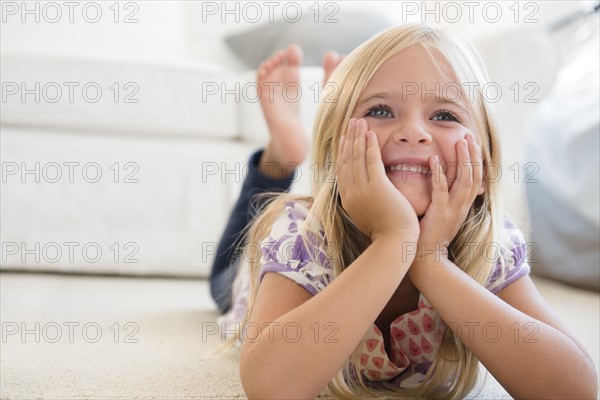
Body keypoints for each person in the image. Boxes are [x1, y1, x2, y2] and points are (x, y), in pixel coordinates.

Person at [209, 24, 597, 399]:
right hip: (250, 276)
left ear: (483, 166)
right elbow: (271, 387)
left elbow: (574, 390)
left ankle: (343, 104)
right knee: (225, 277)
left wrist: (431, 262)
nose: (413, 132)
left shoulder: (490, 245)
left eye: (444, 115)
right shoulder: (302, 235)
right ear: (336, 152)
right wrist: (393, 241)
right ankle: (280, 159)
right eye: (381, 110)